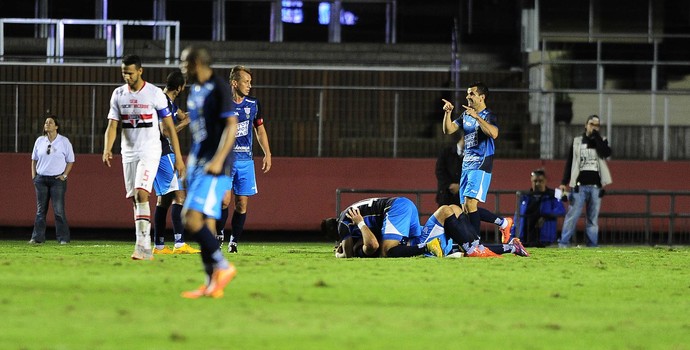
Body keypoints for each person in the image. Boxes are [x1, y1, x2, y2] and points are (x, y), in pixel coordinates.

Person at [103, 54, 186, 260]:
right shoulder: (118, 94)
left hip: (150, 151)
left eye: (130, 73)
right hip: (128, 152)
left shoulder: (154, 94)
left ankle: (142, 246)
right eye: (124, 73)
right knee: (135, 199)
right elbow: (113, 125)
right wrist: (107, 148)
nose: (127, 77)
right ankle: (146, 246)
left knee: (142, 193)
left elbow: (169, 127)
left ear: (140, 71)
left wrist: (179, 157)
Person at [178, 46, 238, 299]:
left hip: (216, 167)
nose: (181, 67)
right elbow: (200, 132)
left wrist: (218, 160)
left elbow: (231, 127)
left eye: (184, 63)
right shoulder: (195, 90)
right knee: (204, 223)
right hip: (198, 164)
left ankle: (224, 267)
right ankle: (210, 283)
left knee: (190, 220)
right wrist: (189, 163)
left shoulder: (219, 88)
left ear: (196, 63)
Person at [441, 82, 513, 244]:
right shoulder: (466, 115)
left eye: (471, 94)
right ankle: (503, 223)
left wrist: (478, 118)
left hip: (481, 164)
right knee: (466, 208)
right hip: (466, 165)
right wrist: (448, 113)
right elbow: (449, 130)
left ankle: (475, 243)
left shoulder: (488, 115)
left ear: (482, 97)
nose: (468, 96)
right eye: (467, 94)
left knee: (471, 204)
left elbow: (494, 133)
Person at [216, 65, 272, 253]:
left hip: (246, 161)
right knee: (224, 200)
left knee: (241, 204)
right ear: (234, 82)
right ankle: (218, 235)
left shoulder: (253, 104)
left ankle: (234, 242)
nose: (249, 85)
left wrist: (267, 153)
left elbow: (260, 130)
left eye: (250, 82)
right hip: (226, 159)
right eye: (246, 82)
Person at [152, 70, 200, 255]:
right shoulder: (163, 103)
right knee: (180, 196)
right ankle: (179, 244)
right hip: (164, 153)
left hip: (157, 153)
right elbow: (165, 131)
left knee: (163, 200)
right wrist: (185, 124)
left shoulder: (167, 102)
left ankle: (158, 246)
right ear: (180, 87)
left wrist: (195, 114)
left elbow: (182, 114)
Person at [435, 136, 513, 239]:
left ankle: (476, 242)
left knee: (469, 210)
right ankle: (501, 224)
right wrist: (449, 185)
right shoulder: (447, 152)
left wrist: (462, 186)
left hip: (464, 191)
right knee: (464, 212)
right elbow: (439, 171)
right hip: (447, 194)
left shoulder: (474, 154)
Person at [323, 197, 444, 258]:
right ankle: (454, 247)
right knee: (417, 240)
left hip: (394, 209)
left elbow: (348, 255)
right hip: (404, 203)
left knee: (387, 251)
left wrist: (339, 254)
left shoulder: (342, 224)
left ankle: (427, 247)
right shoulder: (346, 214)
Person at [558, 115, 612, 248]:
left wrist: (597, 137)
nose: (594, 127)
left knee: (592, 219)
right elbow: (570, 162)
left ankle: (592, 245)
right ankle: (564, 243)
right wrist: (564, 182)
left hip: (596, 186)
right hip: (579, 186)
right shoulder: (577, 141)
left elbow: (605, 153)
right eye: (591, 124)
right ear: (585, 125)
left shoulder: (602, 140)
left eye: (597, 125)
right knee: (572, 216)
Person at [30, 115, 75, 244]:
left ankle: (63, 238)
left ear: (56, 126)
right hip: (41, 179)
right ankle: (37, 238)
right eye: (46, 123)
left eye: (50, 122)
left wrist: (64, 175)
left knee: (58, 210)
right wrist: (34, 177)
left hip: (57, 180)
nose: (47, 124)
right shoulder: (39, 141)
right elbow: (34, 160)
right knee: (40, 210)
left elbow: (71, 161)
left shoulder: (64, 142)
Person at [511, 169, 566, 247]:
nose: (537, 183)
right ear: (531, 181)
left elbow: (561, 210)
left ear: (545, 181)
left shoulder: (553, 194)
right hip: (525, 239)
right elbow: (517, 217)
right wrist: (512, 237)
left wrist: (545, 216)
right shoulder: (525, 196)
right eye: (535, 181)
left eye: (540, 181)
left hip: (545, 239)